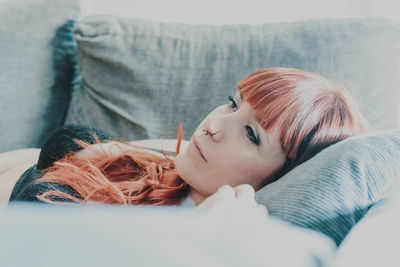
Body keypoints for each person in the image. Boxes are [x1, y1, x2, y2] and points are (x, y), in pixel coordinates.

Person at [7, 67, 368, 207]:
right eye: (231, 104)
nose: (212, 125)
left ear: (285, 176)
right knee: (72, 139)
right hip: (161, 176)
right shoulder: (186, 174)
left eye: (250, 133)